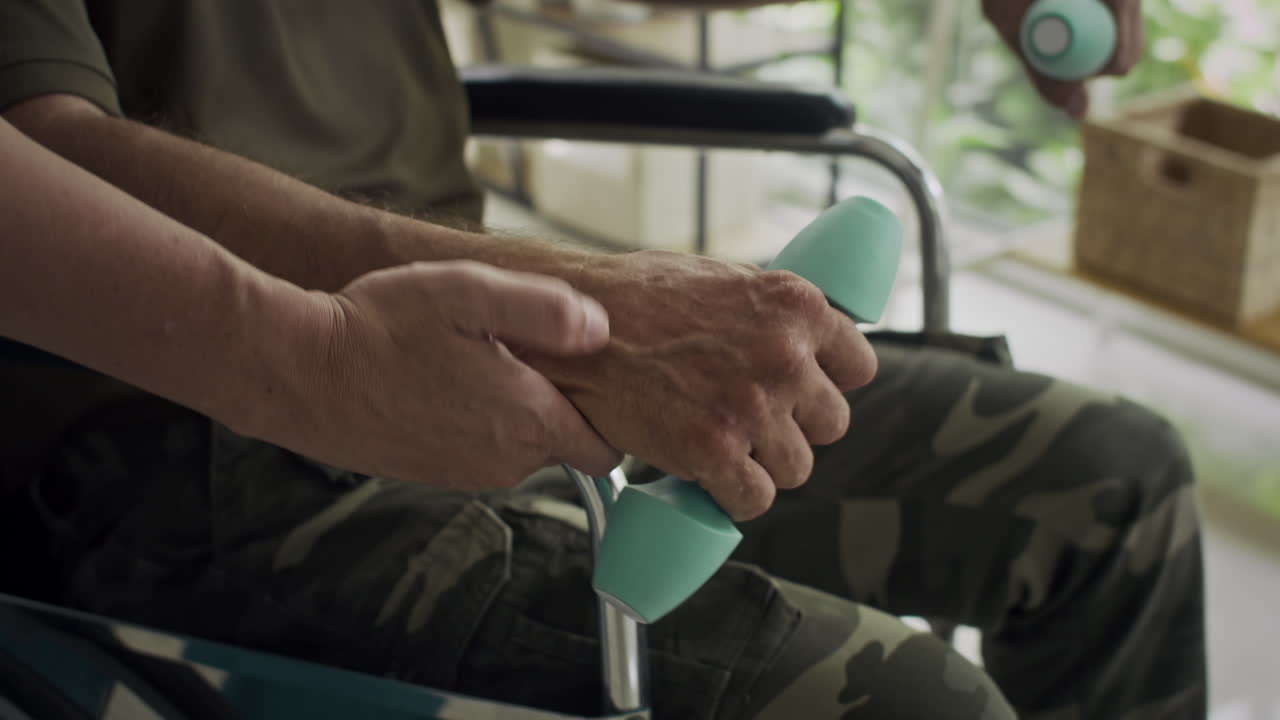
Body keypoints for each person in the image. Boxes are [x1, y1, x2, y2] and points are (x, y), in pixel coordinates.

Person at [0, 0, 1204, 718]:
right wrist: (347, 344)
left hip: (485, 315)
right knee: (913, 706)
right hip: (160, 428)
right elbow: (41, 146)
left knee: (1113, 481)